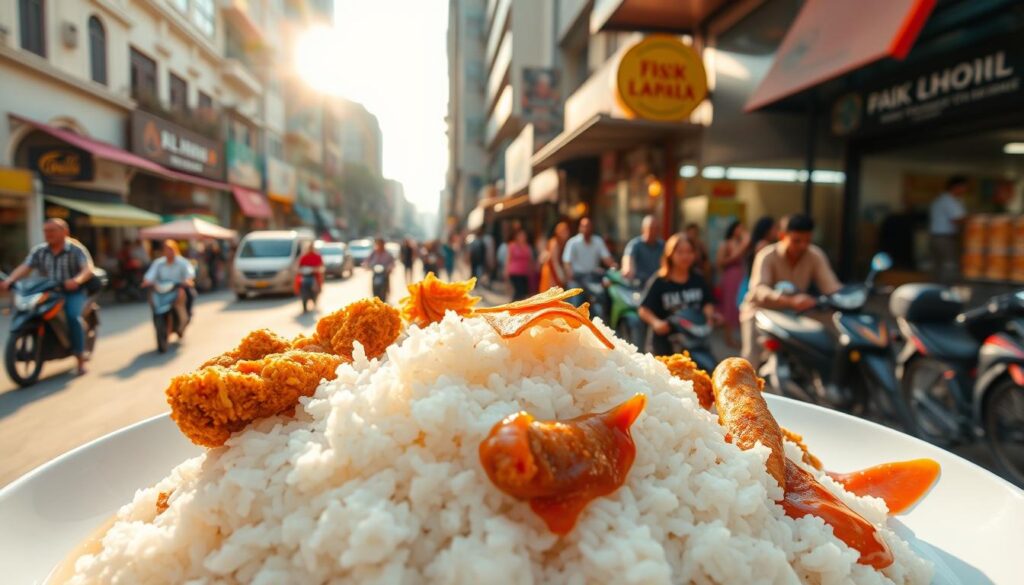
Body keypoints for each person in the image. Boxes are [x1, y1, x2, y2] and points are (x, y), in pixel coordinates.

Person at [739, 214, 841, 363]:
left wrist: (849, 296)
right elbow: (759, 289)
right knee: (750, 359)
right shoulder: (766, 255)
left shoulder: (815, 255)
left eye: (807, 240)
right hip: (760, 311)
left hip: (795, 313)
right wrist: (790, 300)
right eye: (796, 241)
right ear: (782, 236)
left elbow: (831, 287)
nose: (803, 246)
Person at [1, 219, 95, 374]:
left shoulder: (75, 249)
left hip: (71, 291)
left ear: (64, 232)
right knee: (30, 311)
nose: (48, 234)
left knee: (73, 317)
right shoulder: (40, 250)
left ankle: (80, 359)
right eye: (45, 231)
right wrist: (11, 280)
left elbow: (87, 269)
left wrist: (76, 280)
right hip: (48, 291)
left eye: (52, 230)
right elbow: (26, 267)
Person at [638, 233, 716, 357]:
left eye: (689, 251)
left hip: (694, 342)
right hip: (664, 345)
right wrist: (656, 322)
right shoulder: (660, 281)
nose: (685, 256)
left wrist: (710, 315)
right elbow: (643, 309)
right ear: (670, 254)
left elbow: (707, 302)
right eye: (680, 252)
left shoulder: (698, 279)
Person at [562, 218, 616, 305]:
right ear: (579, 228)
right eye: (583, 226)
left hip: (593, 278)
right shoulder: (573, 243)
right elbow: (567, 262)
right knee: (576, 303)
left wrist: (614, 266)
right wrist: (570, 275)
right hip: (577, 279)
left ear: (592, 228)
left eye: (588, 226)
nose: (586, 229)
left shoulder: (598, 241)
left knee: (600, 298)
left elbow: (607, 259)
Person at [716, 220, 750, 348]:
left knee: (739, 306)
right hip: (730, 277)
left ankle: (738, 337)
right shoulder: (725, 244)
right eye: (739, 228)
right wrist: (737, 253)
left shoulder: (741, 243)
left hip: (741, 278)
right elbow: (720, 262)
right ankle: (728, 338)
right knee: (729, 307)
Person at [142, 240, 197, 317]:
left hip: (178, 286)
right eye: (166, 249)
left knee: (191, 294)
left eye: (171, 249)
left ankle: (188, 313)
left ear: (175, 250)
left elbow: (189, 274)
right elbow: (150, 275)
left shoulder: (182, 262)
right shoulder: (158, 263)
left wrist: (188, 280)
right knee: (151, 296)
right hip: (162, 288)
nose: (169, 252)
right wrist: (147, 281)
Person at [929, 176, 968, 283]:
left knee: (938, 267)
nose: (965, 190)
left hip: (937, 237)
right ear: (956, 187)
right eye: (963, 187)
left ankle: (935, 292)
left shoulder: (941, 199)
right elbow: (958, 219)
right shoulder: (949, 201)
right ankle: (944, 293)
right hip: (944, 238)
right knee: (949, 266)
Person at [621, 214, 664, 286]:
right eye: (651, 228)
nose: (653, 231)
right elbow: (628, 260)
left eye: (656, 228)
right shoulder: (635, 244)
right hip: (639, 285)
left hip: (658, 284)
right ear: (643, 229)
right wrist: (628, 269)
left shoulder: (662, 245)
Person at [538, 221, 570, 292]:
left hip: (555, 270)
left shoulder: (563, 243)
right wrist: (561, 277)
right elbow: (554, 262)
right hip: (551, 271)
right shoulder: (554, 243)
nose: (565, 233)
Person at [505, 229, 534, 301]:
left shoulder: (528, 247)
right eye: (520, 236)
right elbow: (508, 258)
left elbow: (530, 260)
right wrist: (506, 271)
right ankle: (512, 307)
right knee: (519, 291)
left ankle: (515, 307)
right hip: (514, 272)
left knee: (523, 292)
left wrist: (531, 271)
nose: (522, 237)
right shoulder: (512, 245)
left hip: (524, 273)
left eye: (524, 236)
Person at [295, 242, 325, 307]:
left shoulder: (317, 256)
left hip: (315, 276)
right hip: (305, 276)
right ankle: (303, 297)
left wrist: (316, 269)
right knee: (300, 284)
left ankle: (315, 297)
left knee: (316, 287)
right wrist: (301, 270)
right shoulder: (304, 257)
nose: (310, 249)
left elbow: (321, 267)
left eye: (311, 248)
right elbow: (299, 267)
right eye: (309, 248)